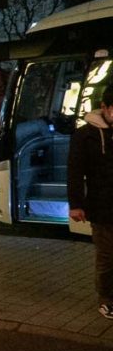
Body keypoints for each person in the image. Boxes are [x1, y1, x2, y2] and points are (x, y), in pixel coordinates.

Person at [67, 88, 113, 320]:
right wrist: (76, 204)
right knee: (106, 257)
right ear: (104, 107)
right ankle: (106, 299)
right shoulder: (86, 135)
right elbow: (75, 171)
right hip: (103, 207)